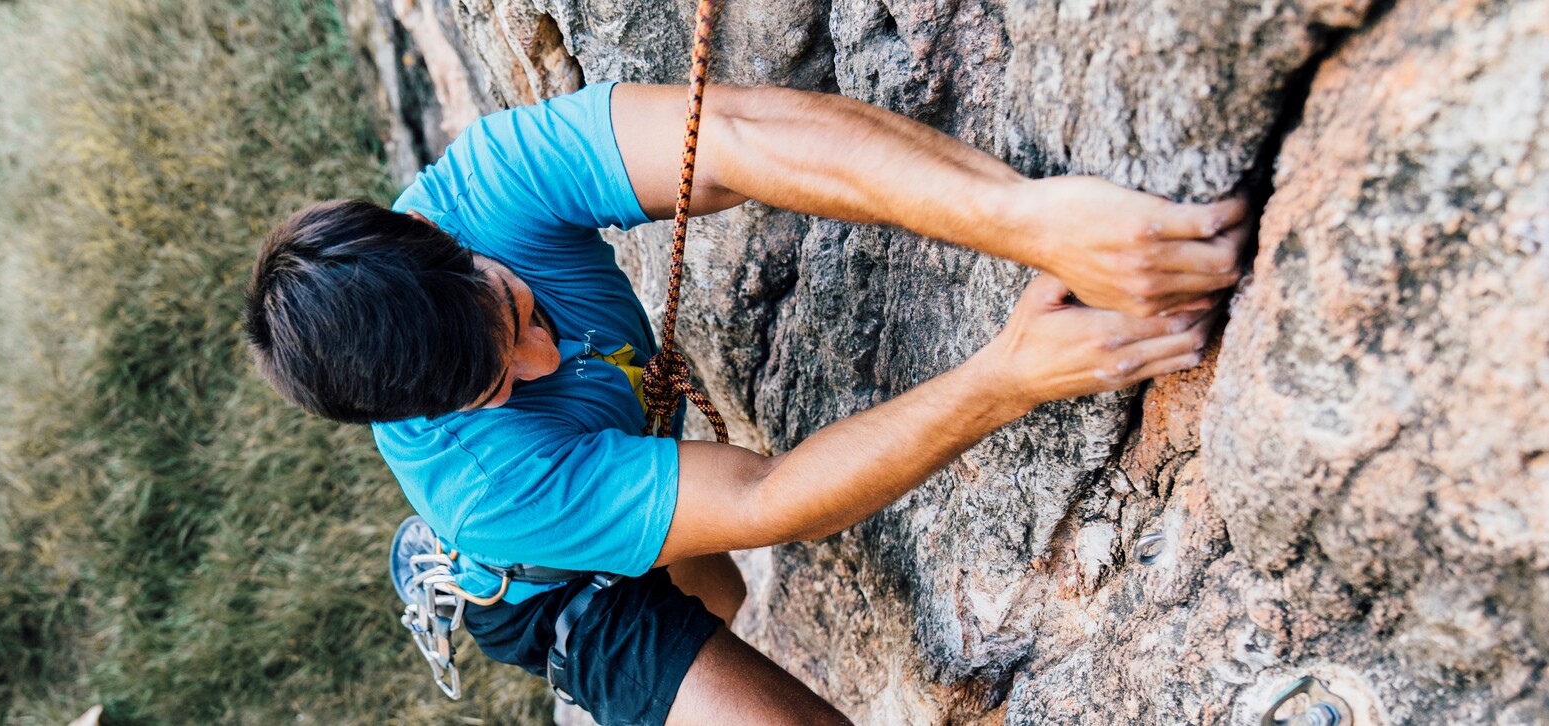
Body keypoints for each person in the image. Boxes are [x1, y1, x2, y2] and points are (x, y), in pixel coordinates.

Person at [243, 81, 1249, 725]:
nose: (547, 357)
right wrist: (1007, 375)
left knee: (717, 590)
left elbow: (728, 137)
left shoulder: (486, 185)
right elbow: (769, 498)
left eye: (516, 308)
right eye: (502, 385)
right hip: (551, 591)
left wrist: (1027, 218)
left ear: (444, 240)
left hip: (608, 467)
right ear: (435, 414)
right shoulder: (488, 483)